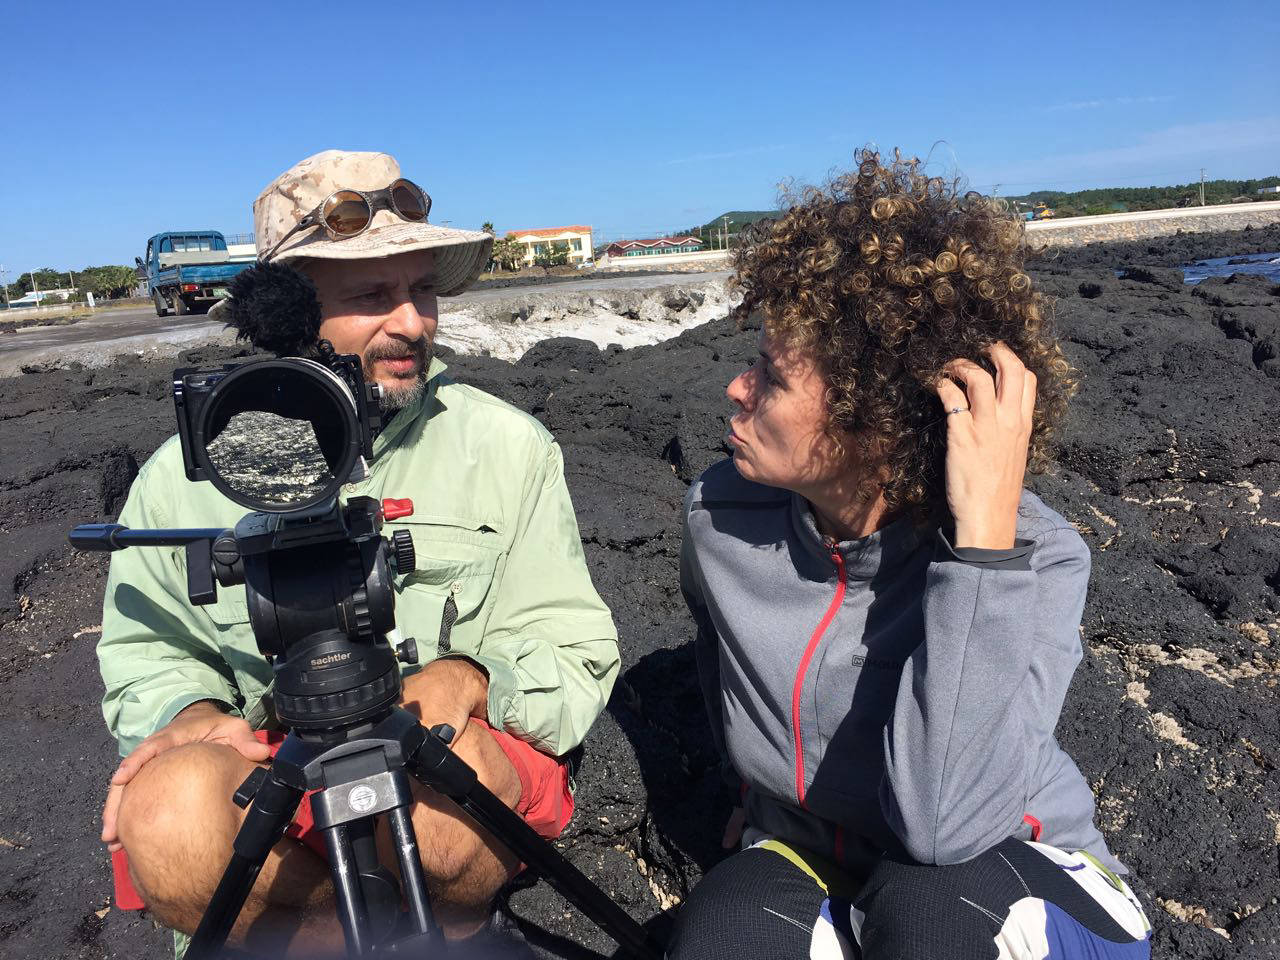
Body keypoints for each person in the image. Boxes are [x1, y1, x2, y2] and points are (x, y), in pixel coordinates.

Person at [96, 150, 620, 958]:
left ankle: (451, 932)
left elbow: (575, 642)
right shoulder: (181, 477)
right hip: (278, 766)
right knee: (165, 818)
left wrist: (469, 679)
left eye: (422, 292)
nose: (411, 322)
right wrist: (194, 717)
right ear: (290, 313)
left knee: (445, 808)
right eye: (374, 295)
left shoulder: (508, 447)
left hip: (439, 764)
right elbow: (148, 650)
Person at [672, 151, 1151, 959]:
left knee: (929, 917)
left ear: (877, 420)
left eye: (770, 376)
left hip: (1010, 873)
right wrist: (750, 789)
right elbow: (716, 660)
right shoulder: (719, 515)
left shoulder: (1040, 556)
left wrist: (983, 556)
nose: (736, 390)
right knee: (724, 933)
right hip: (812, 855)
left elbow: (945, 825)